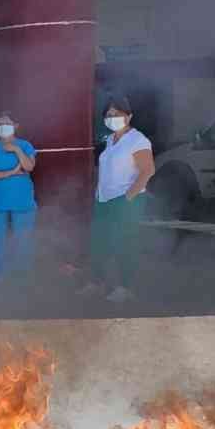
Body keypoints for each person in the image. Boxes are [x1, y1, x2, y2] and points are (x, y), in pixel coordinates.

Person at [87, 95, 155, 303]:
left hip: (126, 201)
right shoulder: (109, 140)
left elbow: (148, 171)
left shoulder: (138, 140)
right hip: (104, 200)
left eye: (117, 114)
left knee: (125, 243)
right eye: (109, 115)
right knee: (99, 242)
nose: (112, 118)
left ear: (129, 116)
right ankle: (97, 283)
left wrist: (128, 197)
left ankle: (125, 287)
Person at [0, 112, 37, 277]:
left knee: (24, 239)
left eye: (7, 123)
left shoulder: (25, 146)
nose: (3, 127)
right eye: (0, 124)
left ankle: (22, 277)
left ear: (15, 126)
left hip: (22, 201)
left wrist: (16, 149)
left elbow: (28, 167)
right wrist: (12, 171)